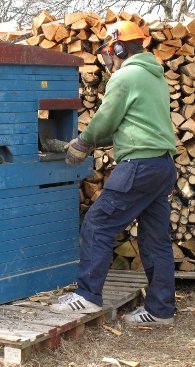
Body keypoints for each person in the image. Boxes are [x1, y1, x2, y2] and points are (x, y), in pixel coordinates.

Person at [49, 20, 177, 326]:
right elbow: (126, 126)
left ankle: (88, 296)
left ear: (117, 47)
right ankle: (161, 311)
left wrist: (82, 142)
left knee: (97, 224)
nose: (109, 58)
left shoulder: (126, 76)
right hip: (162, 165)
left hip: (139, 166)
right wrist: (87, 143)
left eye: (110, 52)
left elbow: (106, 119)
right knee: (156, 239)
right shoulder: (154, 76)